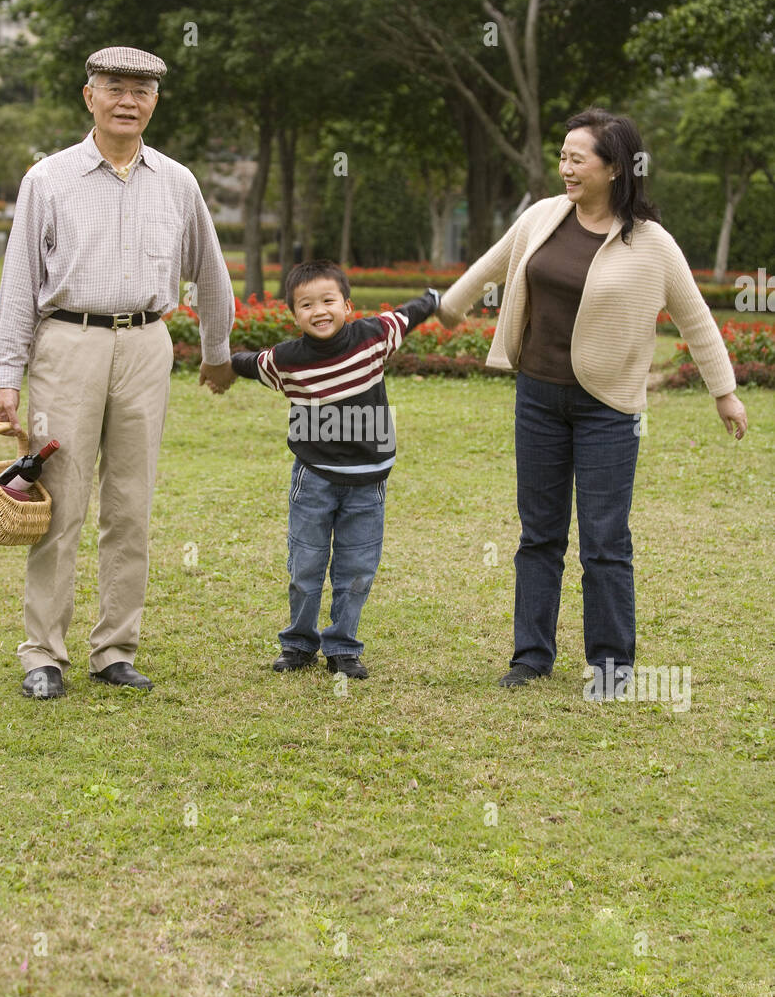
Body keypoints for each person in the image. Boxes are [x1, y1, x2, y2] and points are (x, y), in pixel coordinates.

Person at [438, 107, 748, 696]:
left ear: (615, 168)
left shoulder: (651, 244)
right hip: (538, 396)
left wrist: (725, 394)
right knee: (539, 533)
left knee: (605, 540)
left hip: (609, 408)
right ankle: (530, 657)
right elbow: (492, 263)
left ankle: (611, 667)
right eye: (562, 156)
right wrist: (447, 308)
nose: (566, 168)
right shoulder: (544, 216)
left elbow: (697, 320)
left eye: (578, 158)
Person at [0, 46, 235, 699]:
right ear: (89, 96)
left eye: (143, 91)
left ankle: (115, 649)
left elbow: (209, 270)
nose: (129, 100)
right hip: (66, 345)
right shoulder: (48, 179)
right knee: (59, 503)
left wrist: (218, 349)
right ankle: (43, 654)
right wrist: (8, 378)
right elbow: (19, 284)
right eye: (115, 88)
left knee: (131, 505)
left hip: (145, 345)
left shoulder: (177, 182)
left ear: (155, 102)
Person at [218, 261, 440, 678]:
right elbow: (250, 362)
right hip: (314, 477)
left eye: (328, 300)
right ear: (294, 315)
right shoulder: (287, 360)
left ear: (347, 305)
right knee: (305, 565)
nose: (319, 311)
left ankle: (343, 647)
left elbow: (410, 314)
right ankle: (299, 644)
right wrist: (222, 364)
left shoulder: (375, 337)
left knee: (356, 570)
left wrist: (436, 299)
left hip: (369, 480)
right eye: (306, 304)